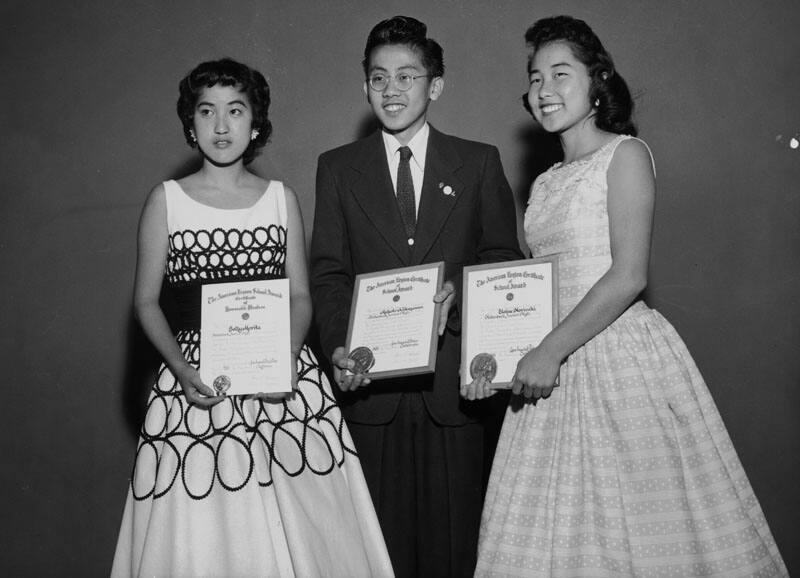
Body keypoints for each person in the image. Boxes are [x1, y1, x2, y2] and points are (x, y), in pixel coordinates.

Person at [466, 16, 788, 577]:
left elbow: (628, 275)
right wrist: (491, 359)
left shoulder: (626, 155)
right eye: (535, 78)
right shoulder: (543, 181)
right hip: (553, 371)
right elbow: (535, 288)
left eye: (560, 74)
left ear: (598, 80)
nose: (545, 91)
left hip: (617, 358)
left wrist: (548, 351)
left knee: (639, 530)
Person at [111, 58, 393, 577]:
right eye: (207, 112)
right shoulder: (166, 201)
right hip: (196, 384)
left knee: (305, 527)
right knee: (206, 529)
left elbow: (301, 296)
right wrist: (180, 370)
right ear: (190, 125)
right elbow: (146, 303)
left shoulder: (280, 199)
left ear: (256, 123)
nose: (222, 126)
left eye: (235, 111)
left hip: (280, 381)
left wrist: (281, 359)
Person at [309, 16, 523, 578]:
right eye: (379, 78)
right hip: (369, 395)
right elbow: (328, 273)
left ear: (436, 86)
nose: (392, 90)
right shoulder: (336, 169)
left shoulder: (478, 162)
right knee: (375, 553)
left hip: (456, 391)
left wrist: (465, 298)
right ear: (365, 88)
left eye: (407, 76)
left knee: (455, 549)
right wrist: (337, 348)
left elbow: (503, 258)